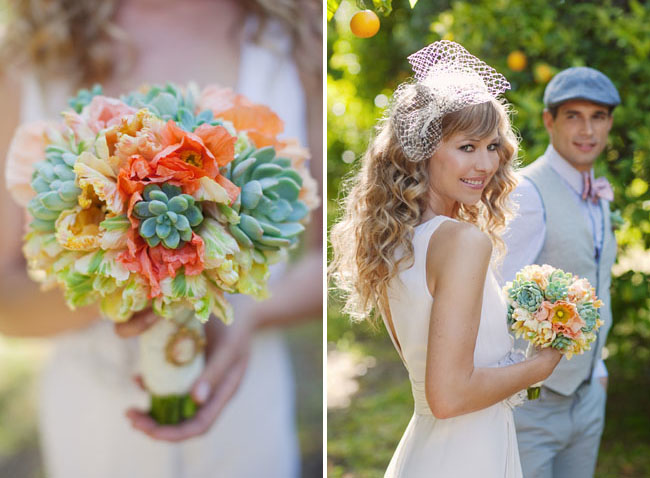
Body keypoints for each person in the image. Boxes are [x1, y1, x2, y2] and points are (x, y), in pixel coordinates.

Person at [0, 1, 322, 477]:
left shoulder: (299, 31)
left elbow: (336, 264)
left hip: (245, 402)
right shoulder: (29, 49)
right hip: (96, 422)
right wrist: (131, 277)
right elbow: (6, 300)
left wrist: (250, 312)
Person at [329, 40, 562, 478]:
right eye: (467, 146)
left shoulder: (395, 242)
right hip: (465, 458)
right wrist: (540, 365)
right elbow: (450, 396)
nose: (486, 164)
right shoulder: (462, 242)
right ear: (422, 149)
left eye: (493, 146)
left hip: (428, 451)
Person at [500, 66, 619, 478]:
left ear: (609, 123)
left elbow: (598, 278)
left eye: (598, 116)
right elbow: (496, 300)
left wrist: (597, 370)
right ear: (549, 121)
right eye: (573, 116)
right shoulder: (527, 193)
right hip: (534, 404)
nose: (587, 130)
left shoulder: (598, 193)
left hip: (588, 399)